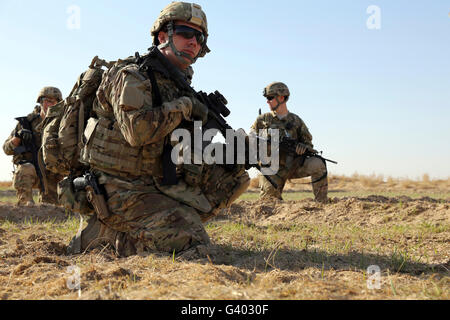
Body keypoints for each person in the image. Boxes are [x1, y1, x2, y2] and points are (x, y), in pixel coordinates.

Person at [68, 2, 249, 257]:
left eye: (200, 37)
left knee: (233, 175)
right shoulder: (133, 75)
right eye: (186, 33)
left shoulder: (177, 84)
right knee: (193, 242)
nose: (194, 42)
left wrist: (233, 150)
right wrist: (184, 107)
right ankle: (110, 234)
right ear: (162, 36)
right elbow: (137, 131)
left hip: (154, 182)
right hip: (118, 186)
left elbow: (184, 143)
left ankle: (156, 226)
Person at [250, 82, 328, 203]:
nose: (267, 101)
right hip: (271, 169)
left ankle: (322, 203)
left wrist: (303, 147)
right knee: (268, 203)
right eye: (267, 98)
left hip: (293, 165)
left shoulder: (296, 121)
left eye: (270, 98)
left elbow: (309, 144)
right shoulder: (262, 120)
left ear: (281, 97)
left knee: (318, 163)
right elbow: (250, 138)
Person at [3, 87, 64, 205]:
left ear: (58, 104)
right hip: (31, 171)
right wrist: (18, 137)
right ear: (40, 102)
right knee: (26, 168)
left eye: (52, 101)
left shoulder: (62, 124)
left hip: (52, 173)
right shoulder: (26, 123)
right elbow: (6, 149)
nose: (48, 104)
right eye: (45, 100)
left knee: (51, 208)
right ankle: (25, 203)